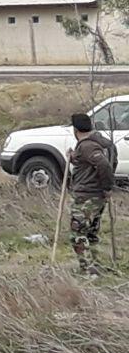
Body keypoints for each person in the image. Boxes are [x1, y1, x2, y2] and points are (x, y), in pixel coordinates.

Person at [67, 112, 115, 275]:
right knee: (91, 233)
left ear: (75, 129)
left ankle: (88, 269)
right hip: (97, 197)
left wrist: (108, 187)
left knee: (77, 235)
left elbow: (103, 165)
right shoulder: (97, 143)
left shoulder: (88, 146)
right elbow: (88, 162)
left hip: (87, 197)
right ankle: (94, 264)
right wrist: (73, 157)